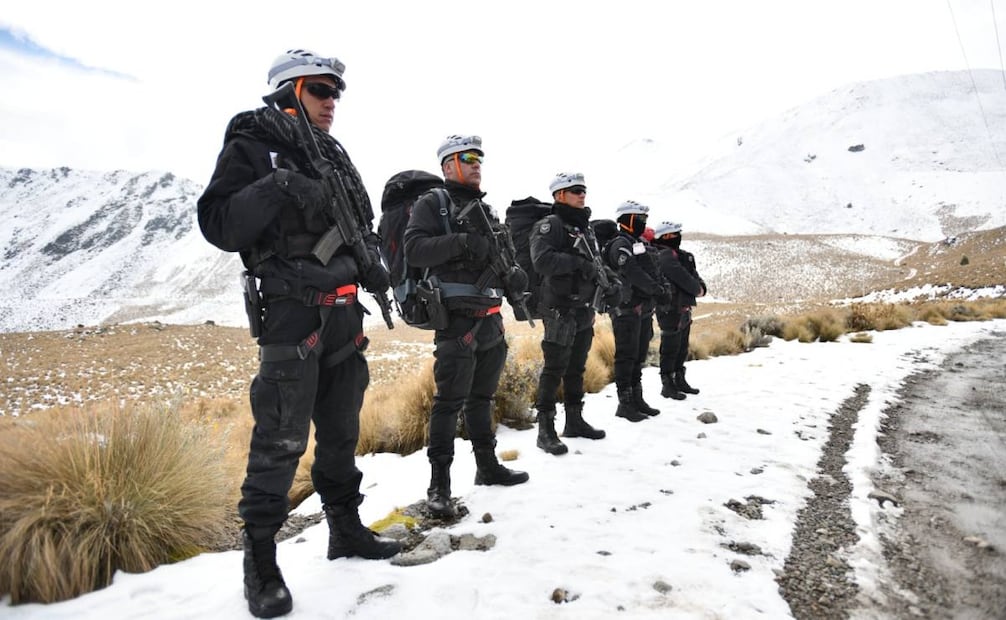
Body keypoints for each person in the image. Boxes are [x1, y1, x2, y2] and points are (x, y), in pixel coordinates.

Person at [197, 48, 400, 619]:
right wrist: (279, 185)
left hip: (343, 312)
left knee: (340, 432)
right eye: (320, 90)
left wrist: (372, 265)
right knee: (281, 441)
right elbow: (218, 223)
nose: (332, 101)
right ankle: (259, 560)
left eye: (337, 92)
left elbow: (355, 222)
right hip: (292, 312)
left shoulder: (332, 154)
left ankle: (345, 529)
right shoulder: (251, 145)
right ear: (289, 91)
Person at [403, 134, 529, 519]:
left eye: (479, 159)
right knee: (447, 404)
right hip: (457, 322)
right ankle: (439, 485)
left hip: (491, 321)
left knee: (482, 400)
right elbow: (414, 249)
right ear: (448, 166)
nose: (477, 164)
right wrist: (461, 242)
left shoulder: (487, 212)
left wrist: (516, 276)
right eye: (468, 157)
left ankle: (487, 467)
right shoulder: (432, 204)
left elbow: (503, 261)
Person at [529, 172, 615, 455]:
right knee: (554, 369)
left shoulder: (584, 228)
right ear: (559, 195)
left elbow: (595, 262)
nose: (581, 195)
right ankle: (545, 430)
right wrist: (578, 264)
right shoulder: (550, 225)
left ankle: (575, 421)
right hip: (559, 310)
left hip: (582, 310)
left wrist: (610, 280)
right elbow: (541, 261)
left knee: (577, 368)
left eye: (583, 190)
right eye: (575, 190)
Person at [605, 200, 670, 422]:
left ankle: (637, 398)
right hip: (625, 309)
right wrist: (655, 289)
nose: (643, 223)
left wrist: (661, 288)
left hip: (641, 309)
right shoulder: (620, 244)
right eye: (640, 219)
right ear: (628, 220)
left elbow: (650, 268)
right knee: (626, 355)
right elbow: (632, 271)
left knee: (639, 354)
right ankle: (624, 404)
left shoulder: (637, 243)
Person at [651, 221, 707, 398]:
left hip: (682, 306)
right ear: (666, 236)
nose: (678, 236)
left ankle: (679, 380)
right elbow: (684, 278)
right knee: (670, 346)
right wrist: (697, 289)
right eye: (675, 233)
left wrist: (700, 287)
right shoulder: (664, 256)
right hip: (669, 307)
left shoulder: (681, 255)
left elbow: (694, 277)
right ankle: (668, 385)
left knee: (681, 346)